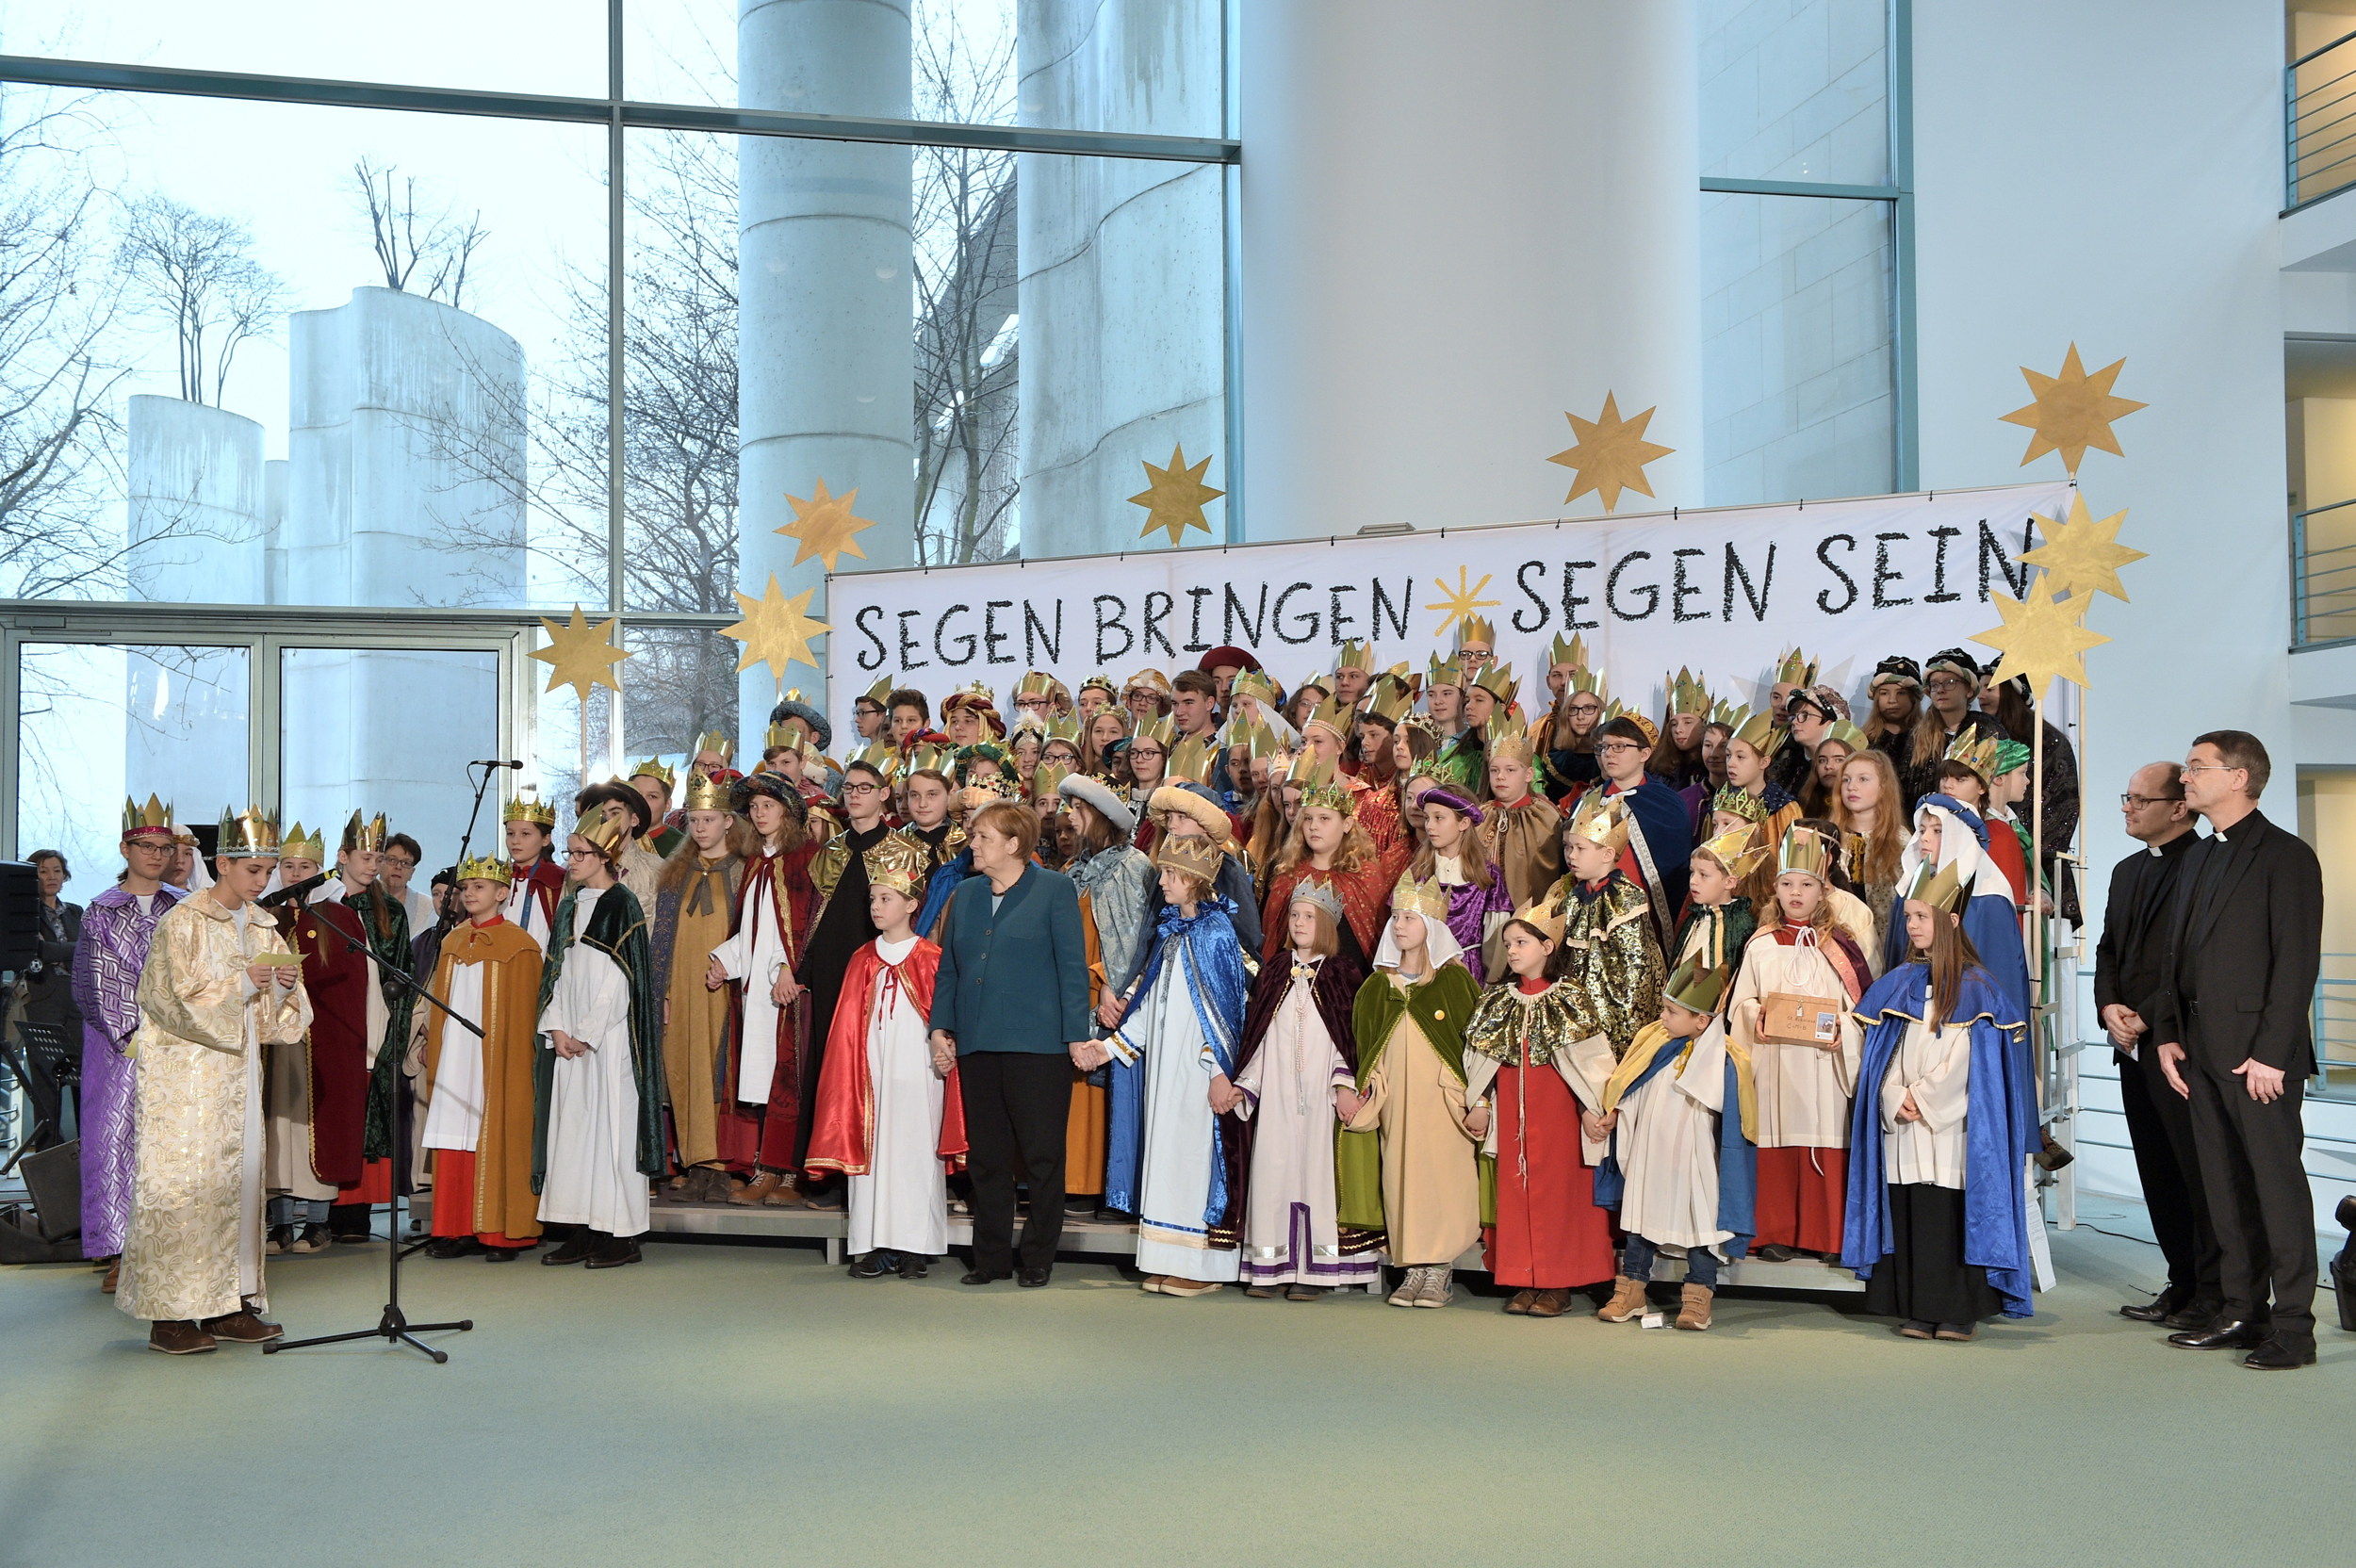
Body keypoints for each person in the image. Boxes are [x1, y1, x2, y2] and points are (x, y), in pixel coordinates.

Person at [2149, 731, 2326, 1370]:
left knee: (2275, 1191)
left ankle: (2294, 1330)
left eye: (2197, 768)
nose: (2185, 779)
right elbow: (2176, 957)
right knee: (2223, 1190)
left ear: (2239, 778)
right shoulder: (2197, 856)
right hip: (2197, 1051)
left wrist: (2274, 1054)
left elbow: (2296, 963)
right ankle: (2242, 1312)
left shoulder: (2288, 856)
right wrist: (2167, 1034)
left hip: (2259, 1059)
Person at [117, 807, 308, 1354]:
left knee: (240, 1187)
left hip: (238, 1076)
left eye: (268, 871)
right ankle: (171, 1316)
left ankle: (231, 1302)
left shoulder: (263, 923)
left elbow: (281, 1022)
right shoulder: (183, 921)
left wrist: (284, 986)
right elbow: (166, 1001)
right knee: (184, 1189)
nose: (262, 880)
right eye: (253, 869)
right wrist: (244, 984)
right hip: (185, 1081)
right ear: (222, 863)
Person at [1844, 862, 2037, 1339]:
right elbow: (1877, 1057)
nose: (1911, 926)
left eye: (1921, 917)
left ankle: (1957, 1310)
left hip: (1953, 1130)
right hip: (1904, 1126)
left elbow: (1970, 1063)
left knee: (1949, 1215)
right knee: (1911, 1209)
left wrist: (1924, 1099)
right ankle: (1919, 1306)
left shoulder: (1979, 989)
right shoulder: (1895, 985)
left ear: (1951, 921)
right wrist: (1894, 1096)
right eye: (1908, 917)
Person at [927, 800, 1094, 1287]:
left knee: (1042, 1156)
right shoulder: (965, 892)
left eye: (982, 837)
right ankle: (992, 1258)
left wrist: (1075, 1039)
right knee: (987, 1159)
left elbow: (1071, 969)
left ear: (1014, 843)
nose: (972, 844)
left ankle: (1039, 1256)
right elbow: (950, 970)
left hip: (1039, 1048)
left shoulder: (1055, 889)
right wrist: (941, 1027)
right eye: (973, 836)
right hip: (978, 1044)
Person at [806, 830, 968, 1281]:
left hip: (919, 1077)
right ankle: (874, 1244)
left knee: (917, 1155)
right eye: (873, 898)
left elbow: (945, 1019)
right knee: (872, 1156)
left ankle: (916, 1246)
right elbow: (846, 1030)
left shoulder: (932, 957)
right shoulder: (861, 958)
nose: (876, 907)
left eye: (886, 898)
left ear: (912, 904)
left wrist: (946, 1050)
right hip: (870, 1076)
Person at [2095, 761, 2220, 1330]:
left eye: (2138, 799)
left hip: (2178, 1044)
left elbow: (2193, 960)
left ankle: (2214, 1291)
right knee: (2156, 1171)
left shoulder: (2204, 866)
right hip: (2130, 1043)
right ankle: (2181, 1283)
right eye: (2126, 797)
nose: (2126, 807)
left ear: (2178, 809)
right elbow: (2109, 951)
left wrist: (2144, 1017)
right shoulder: (2125, 871)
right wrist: (2108, 1009)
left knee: (2195, 1172)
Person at [1462, 894, 1621, 1317]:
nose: (1511, 951)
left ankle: (1558, 1282)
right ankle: (1524, 1277)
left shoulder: (1569, 998)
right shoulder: (1498, 1001)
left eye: (1521, 943)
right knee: (1518, 1192)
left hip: (1559, 1116)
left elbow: (1592, 1062)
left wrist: (1592, 1107)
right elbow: (1479, 1062)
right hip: (1514, 1115)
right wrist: (1479, 1100)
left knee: (1560, 1195)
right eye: (1508, 944)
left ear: (1548, 947)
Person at [1104, 833, 1250, 1298]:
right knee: (1166, 1156)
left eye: (1170, 874)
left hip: (1196, 1074)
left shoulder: (1216, 934)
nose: (1161, 881)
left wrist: (1218, 1071)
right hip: (1165, 1071)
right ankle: (1168, 1258)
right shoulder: (1173, 934)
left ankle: (1201, 1265)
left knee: (1192, 1161)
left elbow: (1226, 1014)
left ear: (1195, 880)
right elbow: (1150, 1007)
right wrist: (1108, 1049)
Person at [1223, 881, 1380, 1298]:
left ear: (1327, 923)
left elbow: (1344, 1038)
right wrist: (1247, 1086)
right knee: (1273, 1171)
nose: (1299, 923)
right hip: (1275, 1095)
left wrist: (1344, 1085)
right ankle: (1271, 1266)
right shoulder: (1275, 970)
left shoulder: (1342, 973)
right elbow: (1258, 1037)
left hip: (1320, 1095)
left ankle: (1316, 1271)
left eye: (1309, 916)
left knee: (1317, 1176)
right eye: (1295, 915)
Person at [1726, 825, 1870, 1262]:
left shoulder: (1842, 946)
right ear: (1775, 888)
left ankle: (1828, 1236)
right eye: (1787, 884)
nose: (1795, 893)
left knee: (1824, 1136)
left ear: (1823, 890)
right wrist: (1757, 1016)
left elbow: (1861, 1007)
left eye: (1806, 885)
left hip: (1824, 1065)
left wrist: (1844, 1028)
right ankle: (1776, 1231)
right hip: (1775, 1062)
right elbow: (1740, 1004)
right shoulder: (1761, 944)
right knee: (1777, 1136)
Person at [1342, 875, 1485, 1308]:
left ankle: (1439, 1268)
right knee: (1401, 1178)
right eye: (1396, 917)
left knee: (1444, 1179)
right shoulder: (1377, 988)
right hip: (1397, 1104)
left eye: (1409, 917)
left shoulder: (1454, 984)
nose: (1399, 925)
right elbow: (1363, 1048)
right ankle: (1412, 1268)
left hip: (1443, 1103)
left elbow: (1477, 1049)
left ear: (1432, 926)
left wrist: (1478, 1099)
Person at [533, 814, 665, 1270]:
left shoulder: (622, 904)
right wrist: (556, 1027)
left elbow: (618, 982)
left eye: (580, 854)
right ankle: (578, 1228)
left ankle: (619, 1235)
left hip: (607, 1042)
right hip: (570, 1036)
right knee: (570, 1133)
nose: (571, 861)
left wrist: (586, 1034)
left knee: (611, 1133)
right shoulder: (569, 906)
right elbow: (557, 973)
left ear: (605, 856)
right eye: (569, 853)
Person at [1593, 957, 1753, 1332]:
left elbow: (1730, 1113)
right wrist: (1617, 1111)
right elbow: (1632, 1084)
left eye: (1671, 1011)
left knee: (1701, 1224)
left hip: (1695, 1158)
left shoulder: (1725, 1057)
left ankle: (1699, 1295)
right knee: (1641, 1220)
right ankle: (1631, 1289)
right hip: (1651, 1151)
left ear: (1701, 1021)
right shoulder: (1655, 1043)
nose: (1662, 1016)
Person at [73, 798, 186, 1287]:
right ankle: (119, 1251)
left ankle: (172, 1245)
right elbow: (95, 981)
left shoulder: (184, 908)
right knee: (115, 1143)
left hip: (181, 1043)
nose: (156, 854)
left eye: (164, 847)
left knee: (172, 1144)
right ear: (126, 848)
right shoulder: (100, 910)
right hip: (118, 1047)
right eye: (146, 846)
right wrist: (132, 1035)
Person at [261, 820, 384, 1255]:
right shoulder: (264, 918)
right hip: (276, 1043)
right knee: (276, 1130)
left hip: (324, 1043)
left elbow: (362, 985)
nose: (296, 873)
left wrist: (365, 1046)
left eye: (306, 865)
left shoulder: (340, 916)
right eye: (289, 865)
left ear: (321, 868)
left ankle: (317, 1223)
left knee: (318, 1129)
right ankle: (278, 1224)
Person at [417, 855, 547, 1260]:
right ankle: (455, 1228)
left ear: (502, 893)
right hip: (457, 1053)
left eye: (480, 887)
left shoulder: (521, 945)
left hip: (497, 1056)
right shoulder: (452, 941)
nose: (470, 894)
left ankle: (501, 1233)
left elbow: (526, 1012)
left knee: (499, 1130)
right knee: (456, 1130)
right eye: (466, 888)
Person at [711, 773, 821, 1206]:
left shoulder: (805, 859)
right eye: (754, 808)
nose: (758, 814)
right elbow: (752, 928)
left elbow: (807, 925)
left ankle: (790, 1172)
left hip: (790, 987)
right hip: (757, 990)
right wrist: (724, 960)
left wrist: (789, 970)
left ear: (788, 812)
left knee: (788, 1074)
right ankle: (764, 1166)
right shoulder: (758, 862)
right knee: (761, 1077)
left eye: (768, 806)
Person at [790, 757, 895, 1205]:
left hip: (879, 971)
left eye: (864, 787)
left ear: (884, 794)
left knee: (873, 1070)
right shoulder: (830, 851)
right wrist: (804, 969)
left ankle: (875, 1169)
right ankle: (827, 1172)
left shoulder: (902, 850)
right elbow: (816, 918)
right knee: (828, 1070)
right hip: (831, 972)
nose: (854, 794)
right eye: (848, 788)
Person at [648, 773, 751, 1203]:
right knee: (684, 1068)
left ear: (728, 821)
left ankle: (722, 1164)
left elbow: (752, 930)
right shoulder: (678, 873)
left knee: (720, 1071)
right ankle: (693, 1162)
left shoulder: (745, 871)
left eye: (709, 819)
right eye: (694, 820)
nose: (701, 828)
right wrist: (663, 993)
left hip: (723, 990)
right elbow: (664, 937)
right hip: (684, 987)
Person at [1060, 775, 1155, 1213]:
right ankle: (1068, 1179)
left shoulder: (1131, 866)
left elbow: (1132, 937)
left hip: (1106, 992)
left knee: (1099, 1085)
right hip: (1072, 988)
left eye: (1078, 809)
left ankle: (1096, 1183)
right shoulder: (1076, 869)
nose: (1069, 817)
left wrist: (1109, 984)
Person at [1546, 792, 1667, 1064]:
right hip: (1575, 1015)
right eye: (1568, 847)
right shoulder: (1574, 897)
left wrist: (1613, 1024)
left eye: (1580, 848)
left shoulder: (1626, 899)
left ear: (1608, 854)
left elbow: (1637, 972)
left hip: (1613, 1022)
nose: (1570, 856)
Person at [1593, 713, 1693, 952]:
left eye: (1619, 746)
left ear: (1644, 754)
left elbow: (1675, 870)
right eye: (1604, 747)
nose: (1608, 753)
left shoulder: (1666, 803)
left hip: (1644, 916)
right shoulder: (1589, 801)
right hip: (1595, 912)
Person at [1412, 788, 1513, 981]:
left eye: (1438, 818)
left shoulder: (1488, 877)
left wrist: (1491, 984)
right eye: (1427, 818)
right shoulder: (1419, 873)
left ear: (1464, 823)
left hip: (1467, 975)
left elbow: (1496, 943)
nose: (1429, 826)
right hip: (1423, 971)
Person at [1903, 648, 2007, 813]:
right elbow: (1906, 791)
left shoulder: (1987, 729)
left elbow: (2001, 787)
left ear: (1969, 689)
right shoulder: (1918, 735)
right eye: (1935, 685)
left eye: (1950, 682)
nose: (1941, 690)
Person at [1476, 727, 1562, 912]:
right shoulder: (1480, 816)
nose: (1500, 776)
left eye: (1510, 770)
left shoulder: (1543, 817)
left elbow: (1546, 872)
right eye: (1494, 770)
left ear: (1529, 775)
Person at [1835, 747, 1908, 956]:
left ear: (1883, 787)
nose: (1852, 787)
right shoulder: (1830, 838)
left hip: (1884, 951)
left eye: (1863, 779)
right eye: (1846, 780)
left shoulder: (1900, 842)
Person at [25, 850, 84, 1060]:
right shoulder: (26, 914)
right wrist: (75, 947)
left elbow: (91, 950)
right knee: (46, 1069)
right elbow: (40, 951)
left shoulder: (76, 912)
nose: (51, 877)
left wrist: (55, 950)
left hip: (78, 995)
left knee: (84, 1070)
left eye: (57, 871)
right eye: (43, 871)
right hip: (43, 995)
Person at [500, 795, 565, 950]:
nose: (515, 841)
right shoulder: (498, 877)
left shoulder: (558, 879)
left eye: (525, 834)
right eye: (510, 833)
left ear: (546, 839)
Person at [630, 760, 686, 858]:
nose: (642, 802)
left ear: (668, 805)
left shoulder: (682, 847)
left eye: (652, 796)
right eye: (637, 794)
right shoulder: (616, 839)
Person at [380, 833, 434, 936]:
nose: (398, 867)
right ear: (379, 863)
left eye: (405, 863)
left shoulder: (427, 906)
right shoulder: (362, 900)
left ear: (411, 873)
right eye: (392, 860)